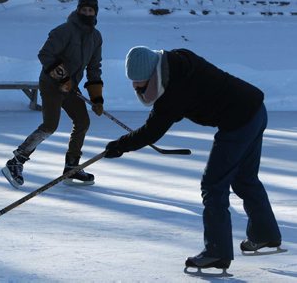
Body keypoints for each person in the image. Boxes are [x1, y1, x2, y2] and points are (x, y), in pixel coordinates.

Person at [104, 46, 283, 271]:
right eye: (133, 81)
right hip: (255, 110)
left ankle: (216, 252)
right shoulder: (179, 60)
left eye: (140, 81)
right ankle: (265, 234)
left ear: (153, 75)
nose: (135, 87)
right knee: (244, 178)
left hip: (239, 122)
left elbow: (152, 131)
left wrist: (120, 146)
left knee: (213, 185)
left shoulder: (174, 92)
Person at [2, 0, 104, 188]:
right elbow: (45, 54)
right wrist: (62, 78)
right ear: (78, 10)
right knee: (50, 125)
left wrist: (97, 98)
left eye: (91, 10)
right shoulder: (64, 31)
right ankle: (16, 162)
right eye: (84, 10)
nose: (87, 13)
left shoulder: (96, 37)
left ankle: (71, 167)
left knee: (82, 121)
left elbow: (94, 67)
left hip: (70, 87)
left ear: (95, 13)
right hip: (51, 84)